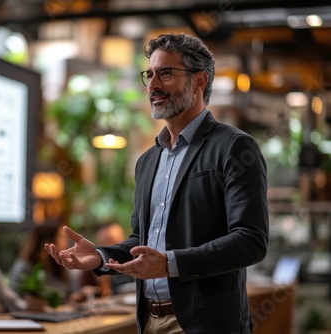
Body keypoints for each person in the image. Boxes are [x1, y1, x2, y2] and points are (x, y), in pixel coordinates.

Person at [45, 33, 269, 334]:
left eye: (165, 73)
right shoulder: (147, 161)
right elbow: (140, 242)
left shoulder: (234, 147)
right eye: (149, 75)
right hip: (148, 321)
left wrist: (170, 264)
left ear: (199, 81)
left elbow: (250, 241)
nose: (153, 85)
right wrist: (100, 256)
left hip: (204, 325)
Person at [8, 223, 78, 302]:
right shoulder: (24, 267)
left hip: (60, 313)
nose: (67, 241)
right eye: (62, 237)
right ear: (48, 242)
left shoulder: (60, 265)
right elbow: (14, 298)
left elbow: (70, 293)